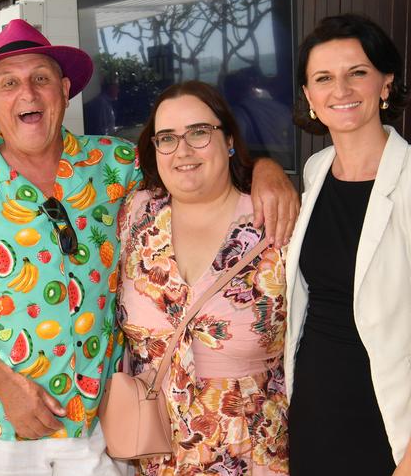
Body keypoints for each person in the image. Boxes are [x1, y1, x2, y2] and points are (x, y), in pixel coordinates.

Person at [0, 20, 297, 476]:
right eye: (8, 83)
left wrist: (264, 168)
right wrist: (6, 386)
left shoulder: (116, 164)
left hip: (103, 427)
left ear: (64, 91)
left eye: (41, 79)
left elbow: (194, 171)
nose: (27, 92)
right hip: (0, 427)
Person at [285, 14, 411, 476]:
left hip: (388, 422)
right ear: (310, 96)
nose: (341, 90)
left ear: (385, 83)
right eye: (324, 78)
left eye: (358, 73)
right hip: (313, 409)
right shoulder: (316, 170)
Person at [116, 80, 289, 475]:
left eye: (198, 133)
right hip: (154, 453)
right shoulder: (134, 213)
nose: (183, 151)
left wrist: (267, 167)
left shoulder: (275, 222)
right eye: (167, 138)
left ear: (228, 140)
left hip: (252, 453)